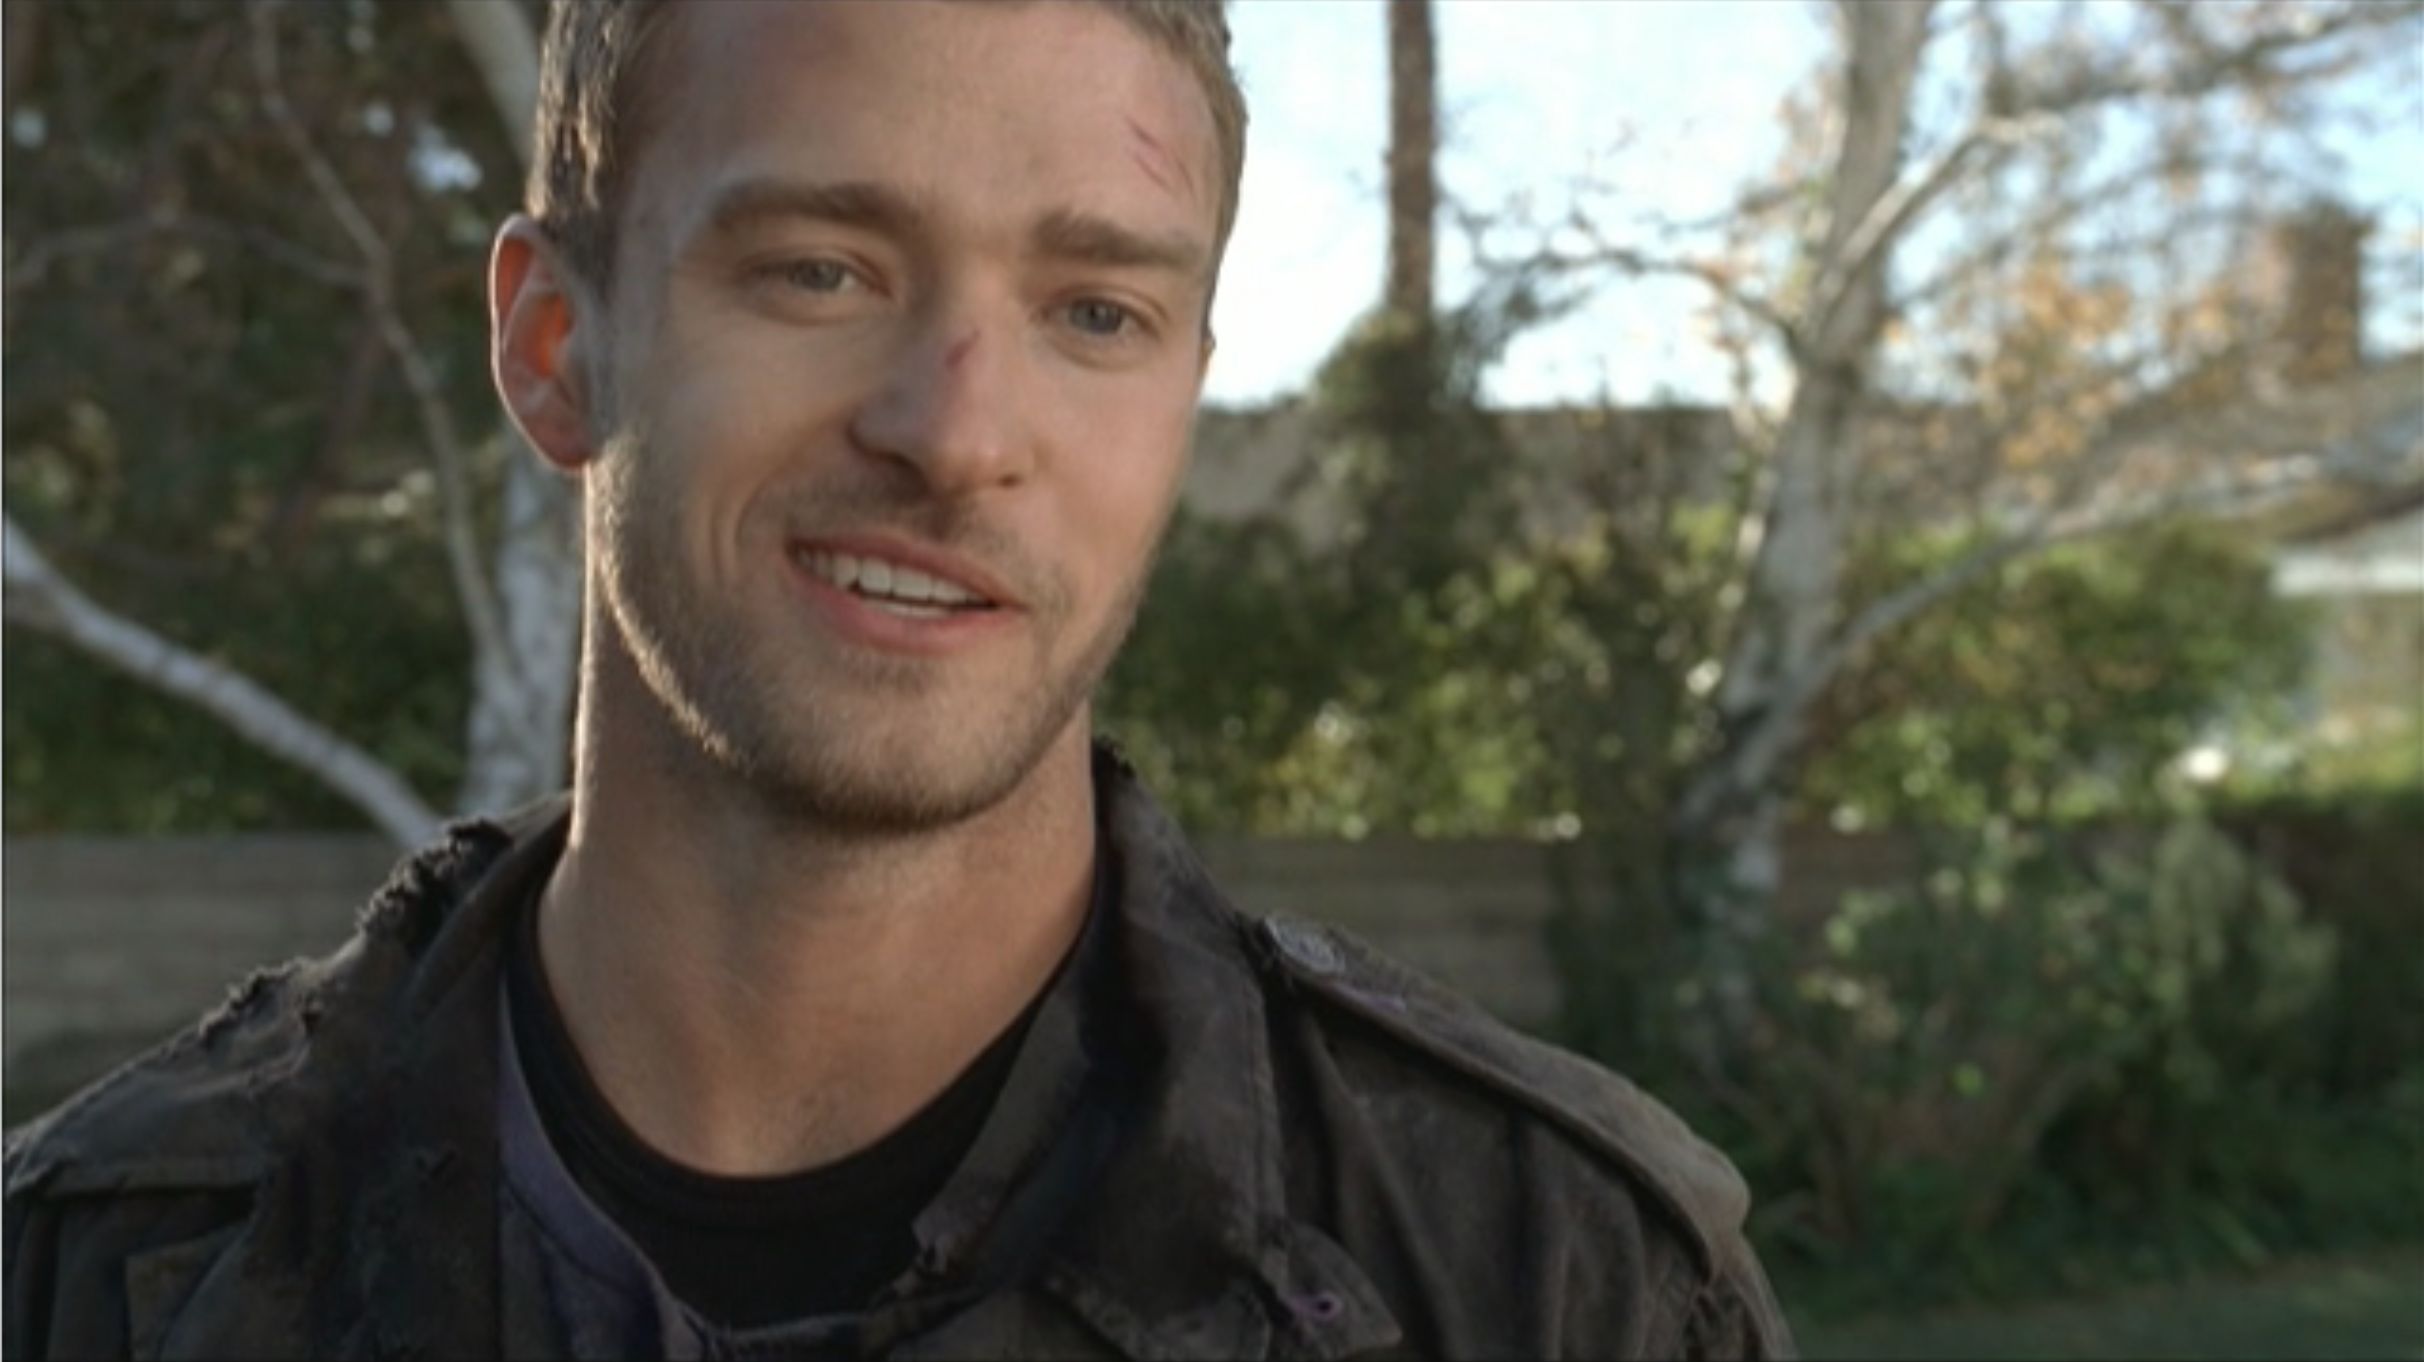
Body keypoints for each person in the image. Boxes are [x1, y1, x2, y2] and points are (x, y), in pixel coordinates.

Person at [4, 1, 1796, 1356]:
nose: (955, 433)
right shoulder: (85, 1278)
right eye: (821, 270)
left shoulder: (1557, 1283)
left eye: (1095, 311)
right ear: (557, 345)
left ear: (1183, 394)